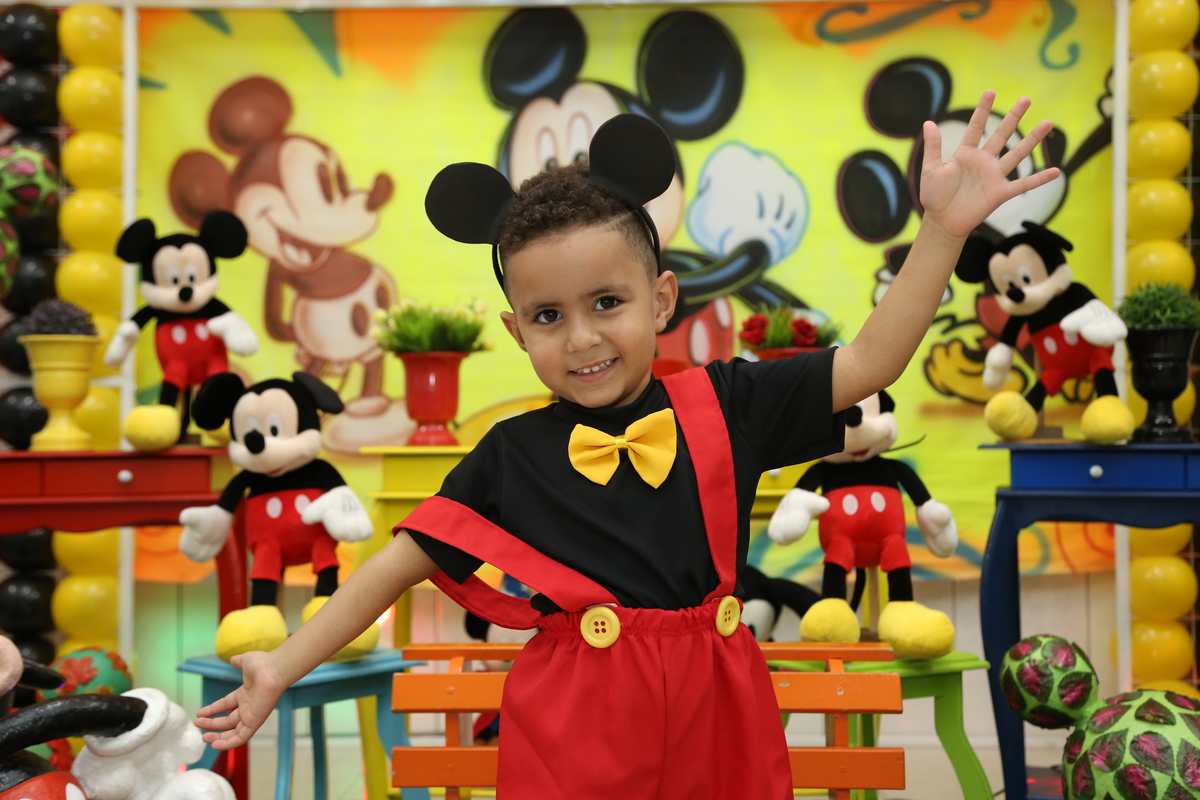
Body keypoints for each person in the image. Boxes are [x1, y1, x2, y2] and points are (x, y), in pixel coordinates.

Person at [195, 92, 1058, 798]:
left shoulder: (729, 402)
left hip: (721, 708)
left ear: (662, 299)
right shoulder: (508, 453)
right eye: (548, 316)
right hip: (573, 724)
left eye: (606, 302)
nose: (581, 338)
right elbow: (393, 566)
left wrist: (944, 232)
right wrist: (280, 668)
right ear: (516, 331)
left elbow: (872, 361)